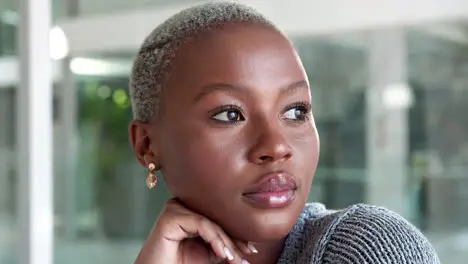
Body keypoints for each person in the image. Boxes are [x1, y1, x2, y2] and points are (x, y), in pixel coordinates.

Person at [128, 2, 440, 264]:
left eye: (296, 111)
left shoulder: (368, 247)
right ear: (147, 146)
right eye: (230, 114)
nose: (276, 146)